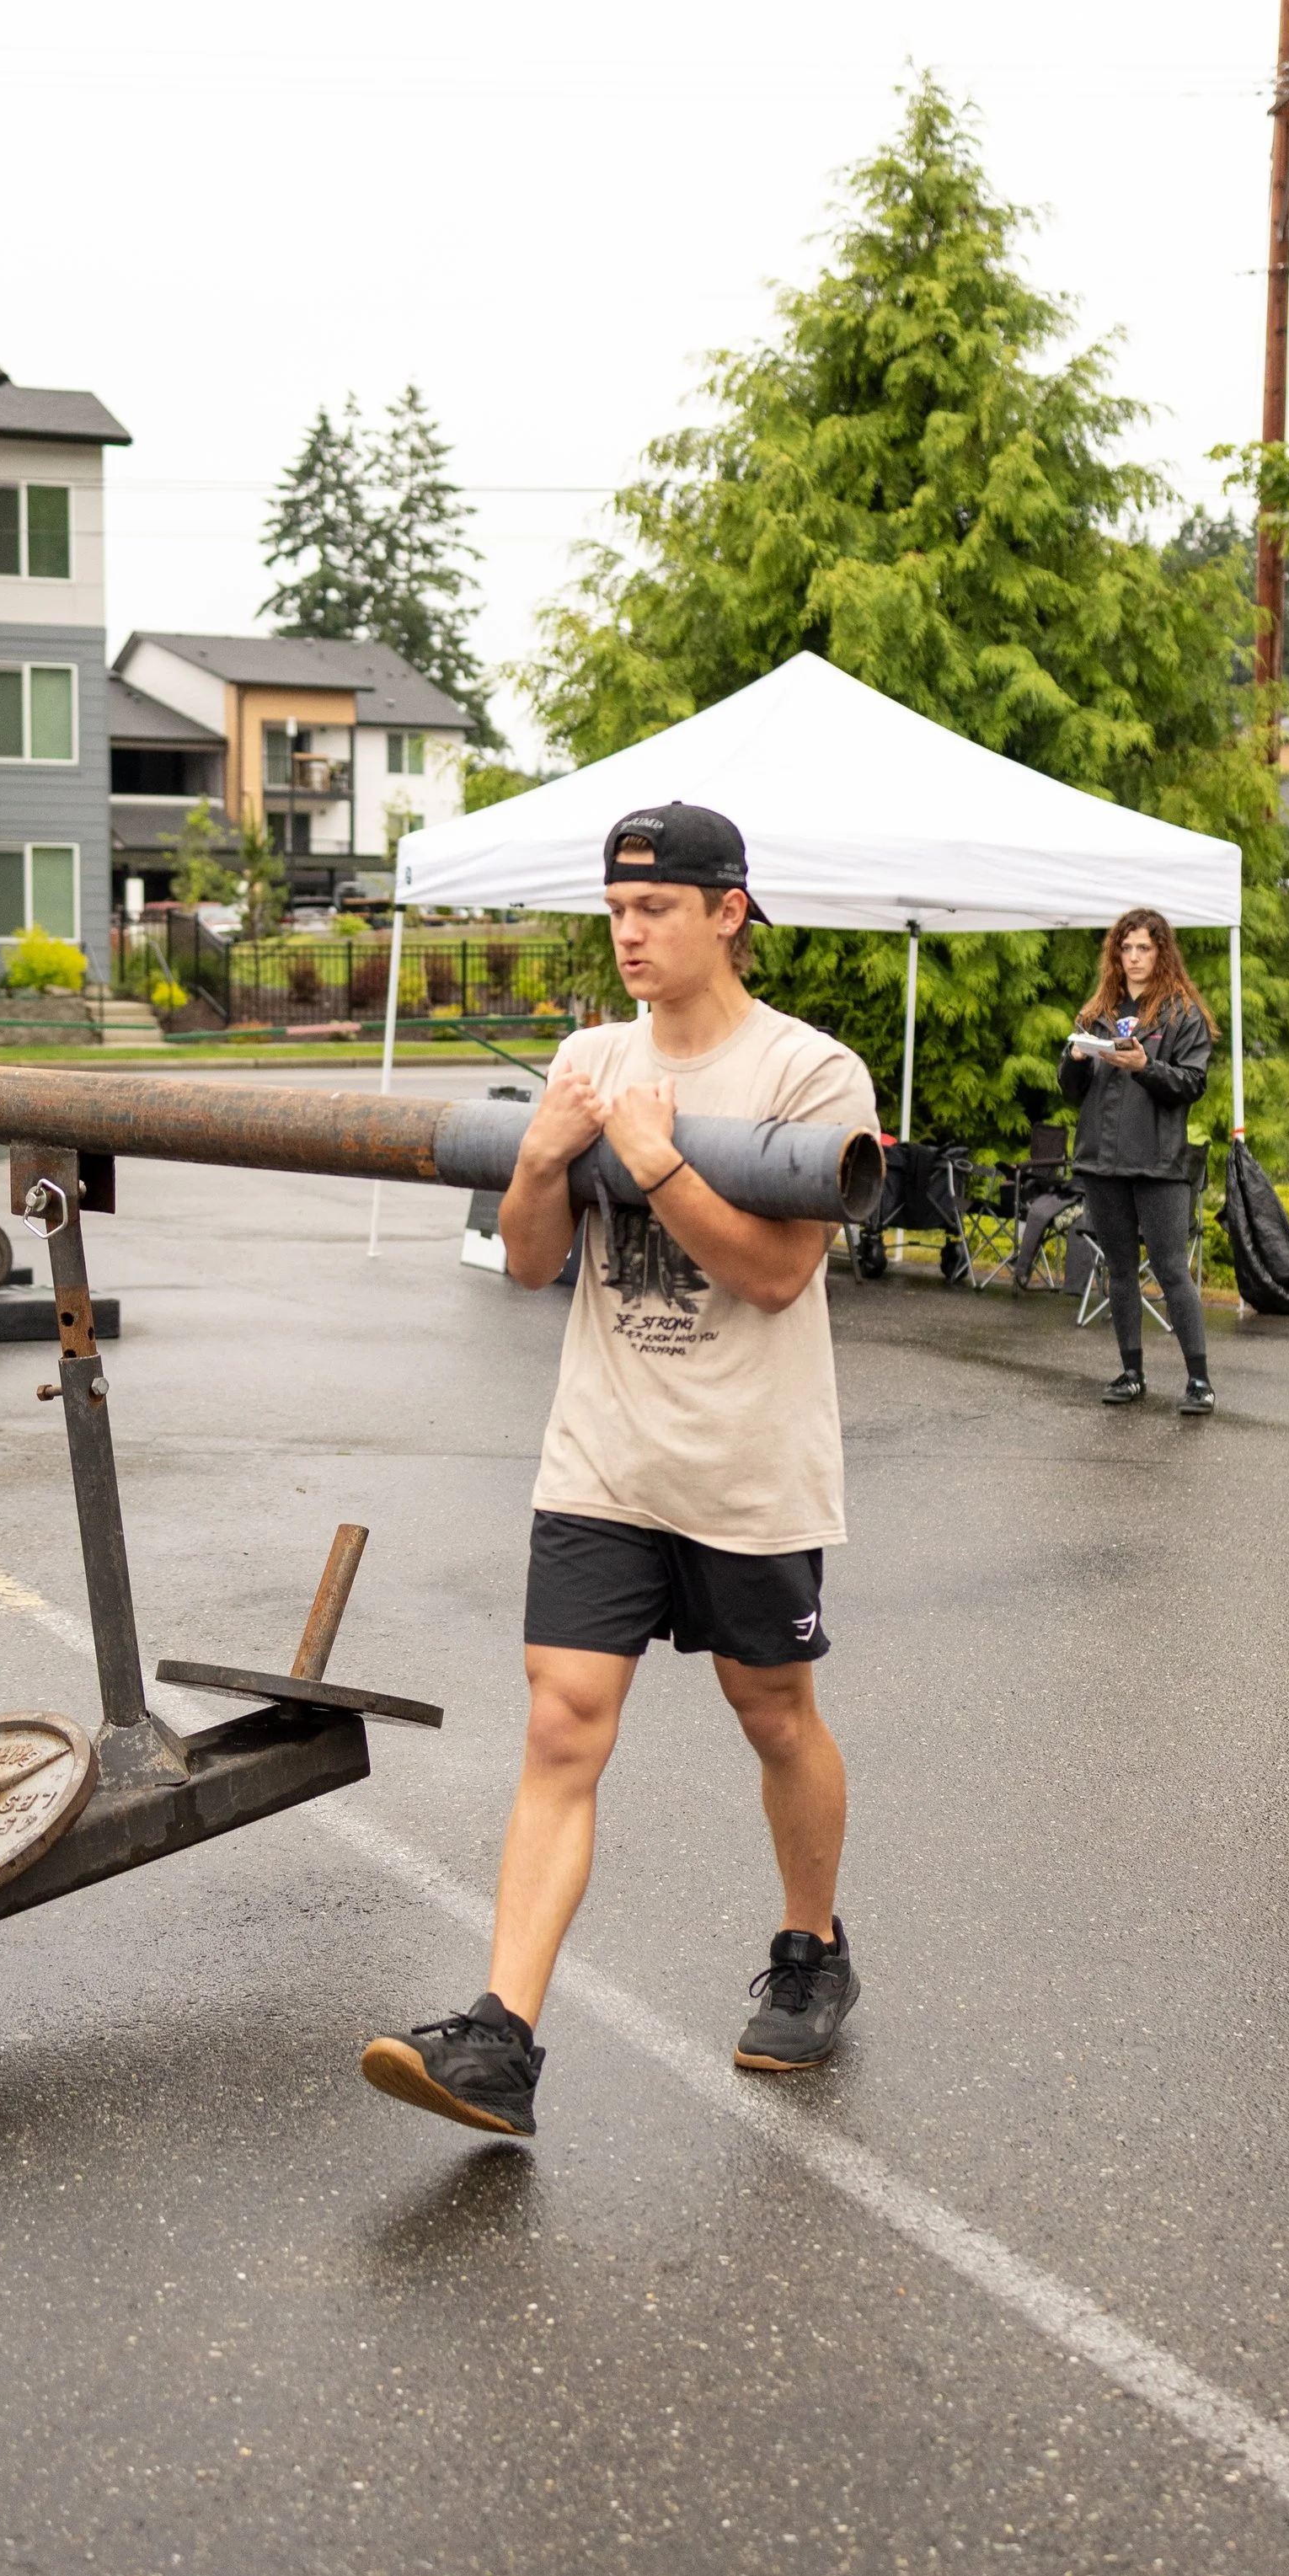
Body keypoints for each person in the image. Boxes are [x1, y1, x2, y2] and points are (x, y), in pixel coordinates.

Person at [359, 801, 879, 2139]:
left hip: (747, 1471)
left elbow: (772, 1275)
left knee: (776, 1717)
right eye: (616, 907)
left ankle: (811, 1950)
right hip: (602, 1459)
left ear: (729, 910)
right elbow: (533, 1263)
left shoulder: (811, 1074)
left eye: (656, 906)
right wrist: (542, 1159)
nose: (630, 929)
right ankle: (500, 2038)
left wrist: (653, 1157)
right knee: (559, 1724)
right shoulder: (588, 1053)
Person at [1057, 908, 1217, 1413]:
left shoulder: (1182, 1013)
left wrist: (1147, 1068)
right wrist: (1074, 1059)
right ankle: (1131, 1373)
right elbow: (1070, 1093)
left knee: (1171, 1269)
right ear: (1115, 953)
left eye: (1144, 948)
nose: (1134, 958)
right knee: (1120, 1270)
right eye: (1126, 948)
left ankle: (1199, 1381)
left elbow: (1192, 1083)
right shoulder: (1097, 1011)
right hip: (1101, 1160)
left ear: (1161, 952)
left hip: (1159, 1160)